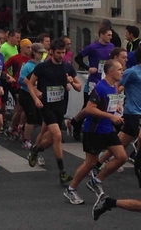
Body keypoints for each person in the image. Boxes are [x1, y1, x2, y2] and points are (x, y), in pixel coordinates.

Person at [64, 60, 127, 205]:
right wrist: (111, 116)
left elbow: (108, 103)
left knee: (122, 157)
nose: (122, 71)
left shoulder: (114, 87)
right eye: (119, 69)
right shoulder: (101, 87)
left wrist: (115, 107)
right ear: (110, 72)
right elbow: (89, 108)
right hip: (94, 130)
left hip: (107, 130)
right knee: (90, 163)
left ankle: (97, 180)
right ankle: (71, 189)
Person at [25, 38, 82, 184]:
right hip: (46, 106)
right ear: (51, 52)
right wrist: (36, 96)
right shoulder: (43, 67)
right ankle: (62, 172)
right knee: (57, 135)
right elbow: (29, 83)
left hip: (60, 106)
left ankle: (36, 151)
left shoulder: (68, 67)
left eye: (63, 53)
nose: (61, 55)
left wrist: (71, 82)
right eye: (58, 52)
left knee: (49, 139)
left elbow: (79, 86)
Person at [71, 27, 115, 140]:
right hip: (93, 81)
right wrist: (88, 68)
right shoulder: (93, 47)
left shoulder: (111, 47)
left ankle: (92, 128)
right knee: (88, 106)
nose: (110, 37)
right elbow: (78, 58)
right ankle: (76, 127)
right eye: (108, 35)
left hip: (105, 80)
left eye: (111, 35)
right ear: (101, 35)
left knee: (102, 106)